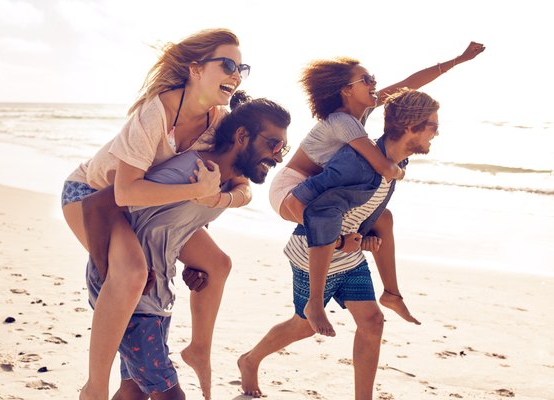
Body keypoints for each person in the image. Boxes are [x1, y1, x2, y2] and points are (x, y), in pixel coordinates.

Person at [60, 28, 254, 399]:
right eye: (227, 64)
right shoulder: (157, 112)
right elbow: (125, 190)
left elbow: (243, 187)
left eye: (241, 68)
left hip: (147, 210)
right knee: (132, 276)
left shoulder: (219, 123)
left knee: (217, 264)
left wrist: (218, 201)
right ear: (196, 69)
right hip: (92, 196)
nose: (235, 75)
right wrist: (195, 191)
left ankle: (198, 350)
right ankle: (95, 388)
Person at [83, 94, 290, 399]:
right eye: (272, 144)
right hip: (131, 296)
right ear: (242, 136)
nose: (278, 156)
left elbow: (173, 225)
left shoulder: (222, 183)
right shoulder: (189, 172)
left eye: (283, 148)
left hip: (159, 296)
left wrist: (194, 266)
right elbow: (97, 206)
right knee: (170, 395)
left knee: (133, 392)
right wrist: (110, 276)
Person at [239, 89, 441, 399]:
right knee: (304, 326)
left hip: (348, 255)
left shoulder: (397, 163)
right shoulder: (355, 163)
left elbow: (365, 210)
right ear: (411, 126)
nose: (437, 133)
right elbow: (302, 205)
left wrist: (364, 234)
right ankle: (250, 360)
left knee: (373, 322)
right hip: (313, 252)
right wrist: (340, 240)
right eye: (432, 125)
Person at [269, 41, 485, 325]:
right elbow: (383, 166)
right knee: (328, 229)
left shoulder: (362, 113)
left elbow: (408, 84)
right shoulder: (342, 121)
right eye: (366, 79)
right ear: (347, 90)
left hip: (317, 184)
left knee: (383, 219)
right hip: (291, 190)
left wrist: (457, 60)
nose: (374, 83)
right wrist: (398, 172)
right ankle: (315, 303)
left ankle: (392, 294)